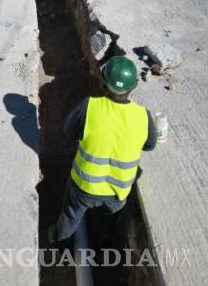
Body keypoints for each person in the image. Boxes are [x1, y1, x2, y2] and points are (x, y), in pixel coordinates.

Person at [48, 56, 156, 244]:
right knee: (107, 221)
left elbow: (68, 130)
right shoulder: (143, 116)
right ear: (133, 87)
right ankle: (104, 240)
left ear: (104, 82)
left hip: (84, 188)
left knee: (71, 215)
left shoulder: (89, 105)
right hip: (117, 194)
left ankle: (59, 241)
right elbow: (150, 145)